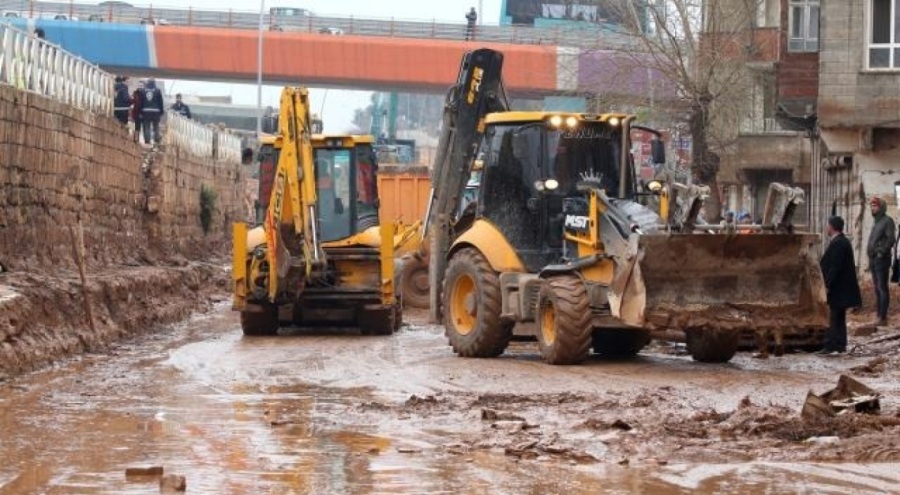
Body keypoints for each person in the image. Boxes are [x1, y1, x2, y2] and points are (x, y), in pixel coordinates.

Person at [819, 216, 862, 355]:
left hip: (838, 288)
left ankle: (831, 345)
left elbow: (834, 267)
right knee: (839, 316)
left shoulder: (839, 243)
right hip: (841, 288)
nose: (826, 228)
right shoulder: (841, 241)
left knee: (833, 316)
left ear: (832, 227)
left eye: (828, 225)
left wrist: (827, 284)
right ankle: (840, 345)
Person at [867, 196, 895, 326]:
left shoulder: (887, 221)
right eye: (872, 206)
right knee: (877, 288)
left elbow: (891, 239)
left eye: (875, 206)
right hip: (873, 259)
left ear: (881, 207)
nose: (873, 208)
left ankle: (883, 317)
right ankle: (878, 315)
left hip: (881, 259)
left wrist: (880, 252)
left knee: (882, 288)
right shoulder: (877, 222)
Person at [140, 78, 164, 145]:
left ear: (148, 82)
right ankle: (156, 140)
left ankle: (147, 141)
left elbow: (141, 102)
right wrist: (161, 111)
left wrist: (141, 112)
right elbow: (160, 102)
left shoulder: (143, 90)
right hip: (156, 112)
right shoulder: (158, 90)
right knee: (156, 127)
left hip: (146, 111)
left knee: (147, 126)